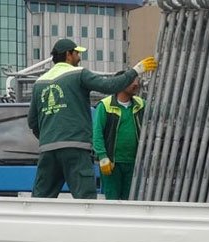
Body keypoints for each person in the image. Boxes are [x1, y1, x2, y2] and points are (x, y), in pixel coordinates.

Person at [27, 38, 157, 199]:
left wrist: (50, 136)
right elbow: (109, 86)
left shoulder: (40, 83)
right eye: (77, 53)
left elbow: (32, 121)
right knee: (85, 201)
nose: (79, 57)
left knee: (41, 200)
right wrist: (135, 70)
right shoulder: (78, 74)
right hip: (76, 148)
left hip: (48, 150)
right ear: (68, 54)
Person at [93, 72, 143, 200]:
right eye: (132, 81)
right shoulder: (105, 105)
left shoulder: (140, 104)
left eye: (137, 80)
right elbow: (96, 133)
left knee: (131, 201)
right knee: (112, 202)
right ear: (120, 83)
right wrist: (102, 156)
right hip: (111, 164)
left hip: (134, 163)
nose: (136, 84)